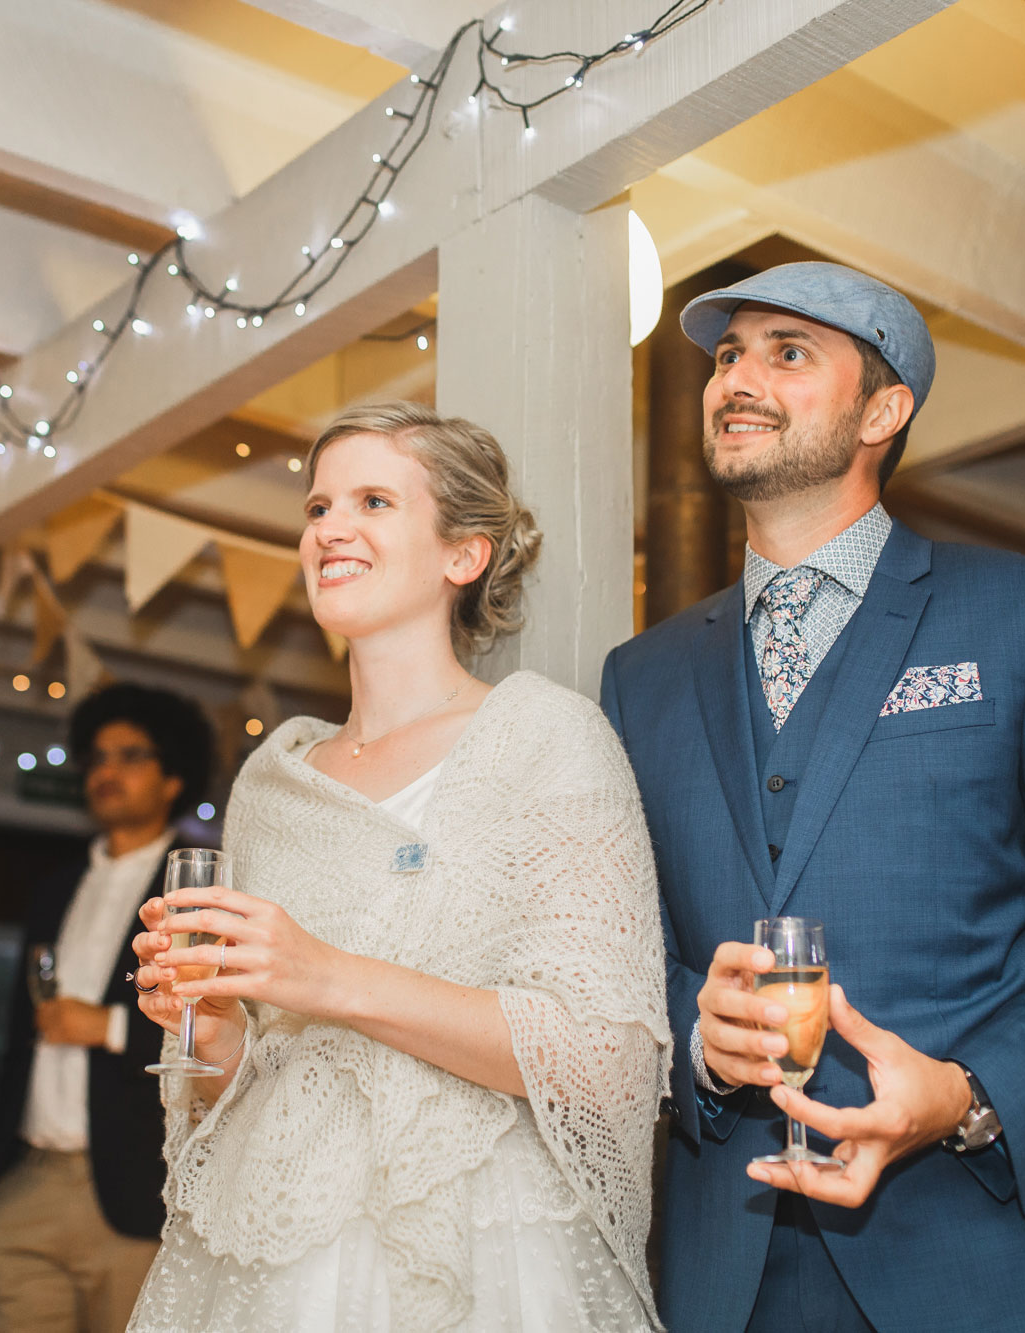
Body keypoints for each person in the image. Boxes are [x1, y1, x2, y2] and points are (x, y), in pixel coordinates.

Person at [599, 261, 1025, 1331]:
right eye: (728, 354)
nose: (736, 377)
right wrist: (694, 1037)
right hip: (730, 1272)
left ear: (881, 411)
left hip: (997, 1257)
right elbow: (616, 958)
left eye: (787, 353)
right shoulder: (639, 675)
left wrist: (971, 1095)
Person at [125, 401, 670, 1331]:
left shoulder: (548, 738)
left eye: (373, 501)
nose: (329, 527)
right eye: (317, 507)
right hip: (275, 1249)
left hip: (485, 1240)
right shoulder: (273, 779)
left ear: (465, 556)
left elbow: (602, 1059)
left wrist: (327, 976)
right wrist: (215, 1037)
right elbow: (247, 1086)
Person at [0, 684, 216, 1332]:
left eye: (130, 755)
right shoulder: (54, 889)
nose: (106, 771)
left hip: (134, 1184)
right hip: (28, 1179)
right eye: (96, 756)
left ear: (173, 777)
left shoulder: (201, 886)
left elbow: (219, 1026)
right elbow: (23, 1025)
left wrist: (108, 1026)